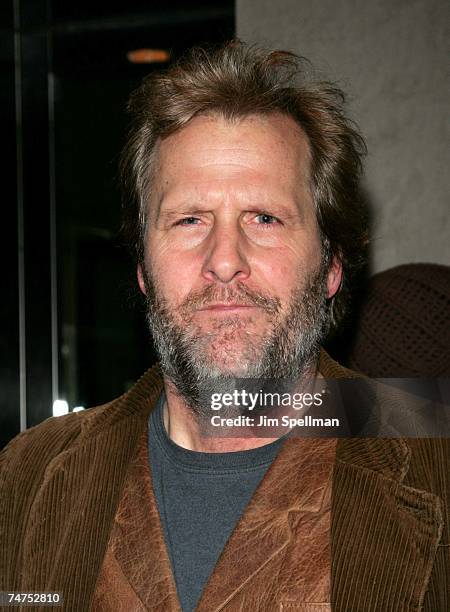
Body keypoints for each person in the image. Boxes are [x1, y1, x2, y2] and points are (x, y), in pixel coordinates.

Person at [0, 41, 448, 611]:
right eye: (190, 220)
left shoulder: (436, 463)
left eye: (264, 218)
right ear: (142, 267)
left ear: (332, 266)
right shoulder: (26, 475)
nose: (224, 258)